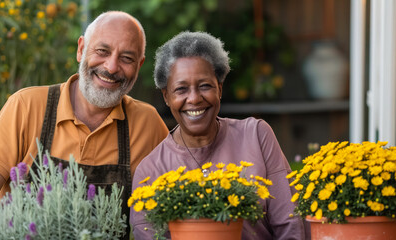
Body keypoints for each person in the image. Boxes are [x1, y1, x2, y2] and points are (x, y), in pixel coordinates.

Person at [0, 11, 169, 240]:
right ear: (81, 49)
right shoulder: (26, 106)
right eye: (102, 51)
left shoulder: (147, 125)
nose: (111, 67)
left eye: (127, 58)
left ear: (139, 65)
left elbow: (176, 203)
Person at [130, 31, 306, 239]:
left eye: (205, 86)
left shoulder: (256, 135)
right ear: (166, 97)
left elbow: (290, 225)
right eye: (181, 89)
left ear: (219, 89)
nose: (194, 99)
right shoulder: (151, 172)